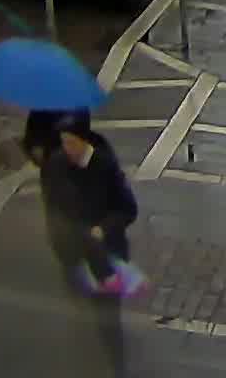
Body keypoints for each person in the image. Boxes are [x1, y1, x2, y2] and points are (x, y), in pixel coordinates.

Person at [29, 111, 145, 299]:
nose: (68, 149)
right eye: (65, 143)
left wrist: (103, 229)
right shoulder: (56, 165)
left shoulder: (105, 166)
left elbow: (128, 209)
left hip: (108, 260)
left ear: (85, 141)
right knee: (78, 306)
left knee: (106, 313)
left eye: (72, 143)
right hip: (74, 256)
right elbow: (52, 206)